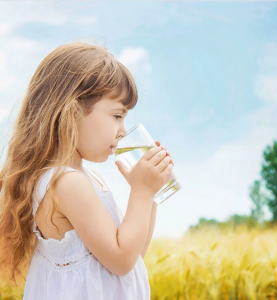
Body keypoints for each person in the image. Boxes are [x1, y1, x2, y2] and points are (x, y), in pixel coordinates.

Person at [0, 41, 174, 299]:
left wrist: (151, 194)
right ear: (73, 110)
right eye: (117, 115)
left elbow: (134, 257)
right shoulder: (67, 183)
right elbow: (121, 260)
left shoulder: (85, 178)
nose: (124, 130)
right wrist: (141, 190)